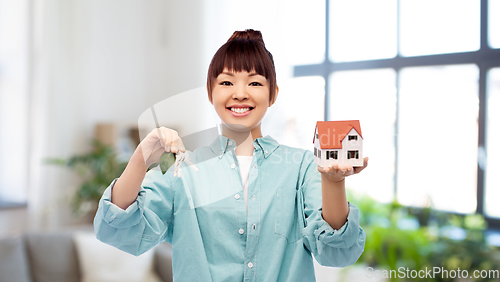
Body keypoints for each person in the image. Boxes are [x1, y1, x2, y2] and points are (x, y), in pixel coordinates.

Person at [94, 29, 368, 282]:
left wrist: (334, 182)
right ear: (210, 92)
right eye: (226, 82)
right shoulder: (182, 167)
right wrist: (141, 156)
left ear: (273, 94)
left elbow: (336, 252)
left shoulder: (302, 166)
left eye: (255, 83)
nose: (239, 94)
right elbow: (118, 230)